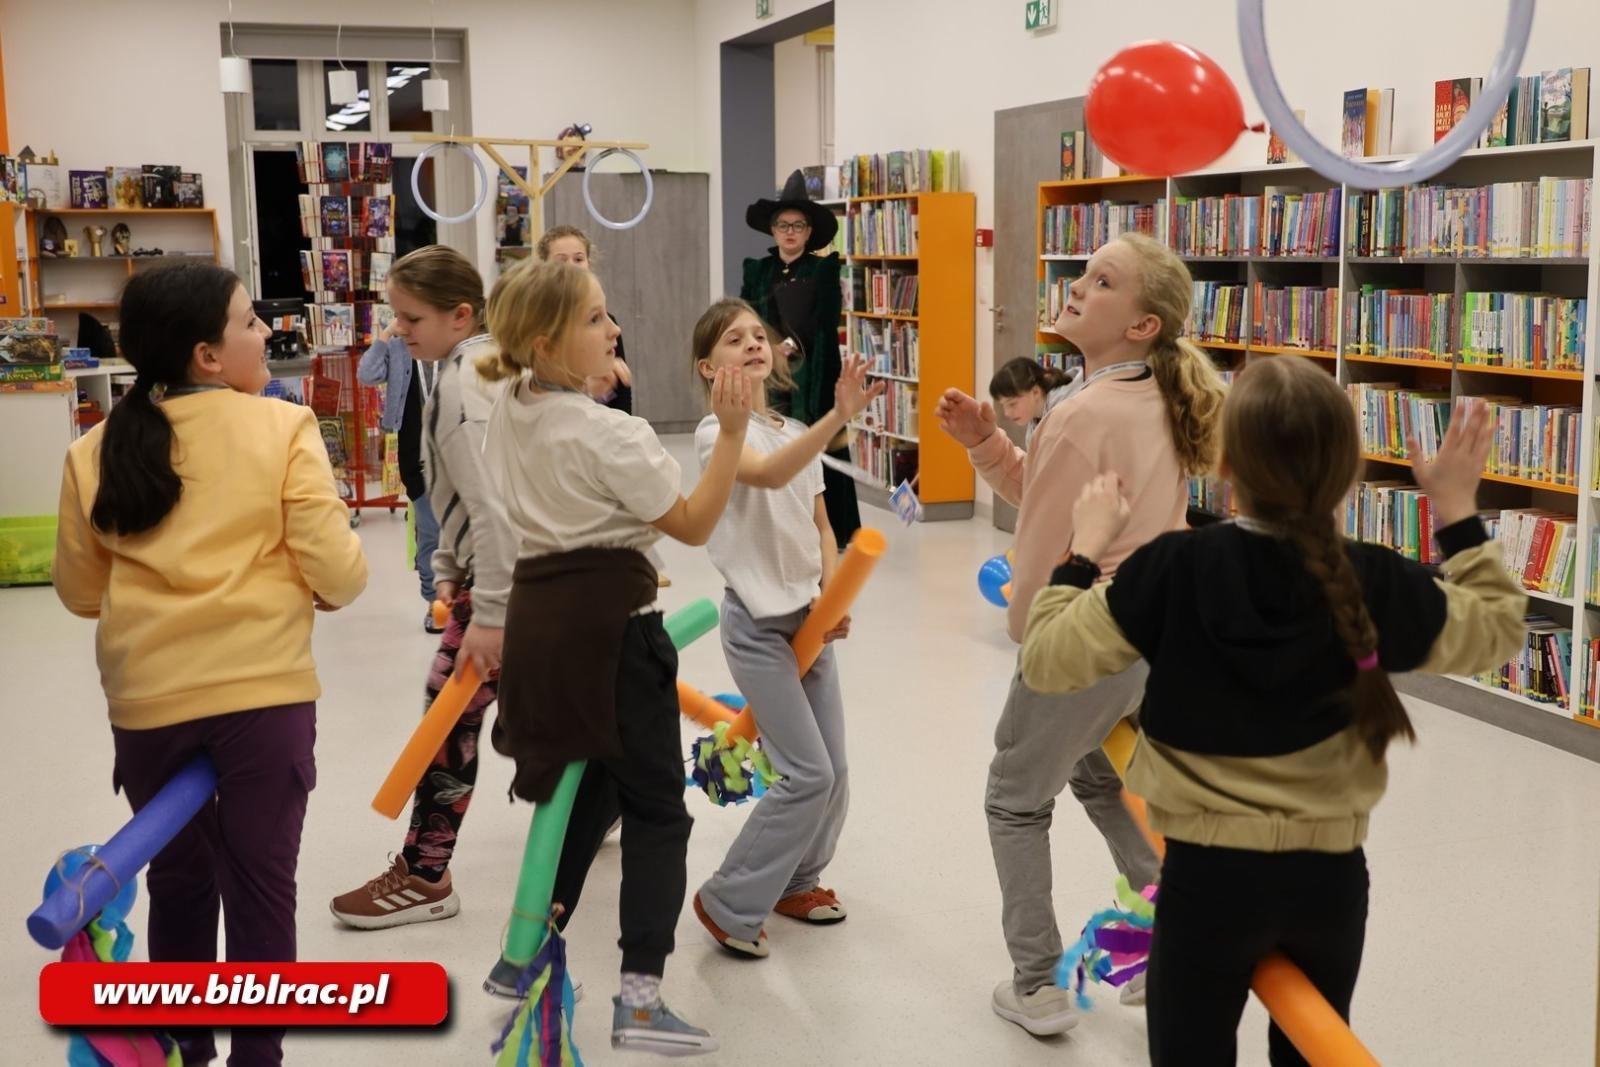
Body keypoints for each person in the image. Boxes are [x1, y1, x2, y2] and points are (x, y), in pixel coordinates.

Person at [1020, 358, 1526, 1065]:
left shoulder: (1172, 566)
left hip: (1206, 883)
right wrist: (1459, 514)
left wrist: (1085, 551)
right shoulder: (1373, 576)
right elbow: (1497, 630)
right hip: (1329, 883)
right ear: (1351, 472)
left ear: (1223, 463)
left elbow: (1047, 658)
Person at [52, 262, 368, 1067]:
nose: (266, 331)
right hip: (262, 699)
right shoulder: (281, 427)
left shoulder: (94, 449)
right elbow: (340, 574)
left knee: (180, 881)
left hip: (148, 701)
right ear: (208, 356)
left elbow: (81, 593)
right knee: (262, 888)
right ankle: (258, 1059)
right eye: (249, 320)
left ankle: (185, 1048)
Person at [935, 231, 1227, 1036]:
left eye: (1101, 281)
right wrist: (988, 443)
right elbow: (1053, 498)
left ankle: (1037, 983)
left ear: (1141, 325)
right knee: (1098, 774)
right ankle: (1170, 931)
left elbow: (1035, 555)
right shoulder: (1146, 395)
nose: (1077, 285)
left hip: (1084, 630)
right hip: (1142, 636)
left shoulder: (1079, 409)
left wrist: (1030, 631)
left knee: (1014, 798)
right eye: (1084, 271)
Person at [478, 258, 752, 1056]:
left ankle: (519, 958)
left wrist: (583, 376)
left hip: (544, 626)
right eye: (596, 320)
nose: (615, 329)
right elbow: (695, 523)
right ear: (546, 341)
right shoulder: (612, 432)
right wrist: (731, 434)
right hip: (615, 636)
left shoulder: (509, 402)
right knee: (660, 810)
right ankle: (640, 998)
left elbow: (558, 420)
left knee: (587, 787)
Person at [685, 299, 883, 959]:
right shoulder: (719, 434)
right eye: (732, 339)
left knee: (836, 768)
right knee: (806, 772)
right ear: (708, 367)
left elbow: (822, 523)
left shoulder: (792, 426)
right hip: (758, 627)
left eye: (757, 335)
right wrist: (839, 417)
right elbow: (769, 475)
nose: (752, 344)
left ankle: (799, 880)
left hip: (807, 619)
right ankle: (728, 899)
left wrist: (831, 595)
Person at [329, 246, 512, 931]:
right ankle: (615, 806)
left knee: (448, 723)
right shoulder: (487, 364)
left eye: (411, 317)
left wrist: (481, 602)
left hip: (498, 590)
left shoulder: (467, 382)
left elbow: (494, 506)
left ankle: (425, 873)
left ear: (460, 315)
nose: (400, 329)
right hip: (509, 582)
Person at [740, 170, 855, 548]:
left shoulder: (823, 269)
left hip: (813, 372)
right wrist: (764, 347)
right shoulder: (758, 271)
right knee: (770, 440)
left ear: (808, 232)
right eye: (783, 225)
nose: (790, 232)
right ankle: (777, 520)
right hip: (767, 370)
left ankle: (825, 527)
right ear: (773, 230)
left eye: (798, 226)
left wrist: (788, 345)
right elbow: (748, 315)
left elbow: (822, 321)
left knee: (815, 443)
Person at [358, 318, 440, 632]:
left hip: (452, 447)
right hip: (415, 451)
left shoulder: (451, 343)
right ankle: (436, 602)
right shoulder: (398, 346)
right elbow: (367, 374)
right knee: (430, 530)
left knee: (461, 532)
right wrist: (387, 334)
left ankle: (462, 600)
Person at [538, 223, 632, 414]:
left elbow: (621, 403)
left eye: (578, 259)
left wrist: (602, 391)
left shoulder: (609, 325)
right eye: (561, 260)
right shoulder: (536, 325)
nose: (572, 267)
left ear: (589, 263)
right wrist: (585, 389)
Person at [988, 356, 1077, 449]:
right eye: (1003, 405)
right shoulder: (1035, 418)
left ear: (1035, 392)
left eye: (1012, 404)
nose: (1007, 413)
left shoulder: (1066, 411)